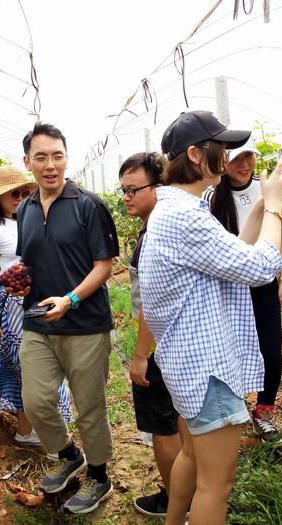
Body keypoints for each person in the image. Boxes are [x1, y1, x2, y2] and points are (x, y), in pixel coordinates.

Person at [139, 110, 282, 525]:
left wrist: (260, 206)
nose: (227, 155)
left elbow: (232, 254)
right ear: (195, 154)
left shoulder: (176, 209)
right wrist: (276, 208)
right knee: (215, 486)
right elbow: (260, 267)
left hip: (187, 364)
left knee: (191, 455)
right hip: (209, 372)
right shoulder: (185, 216)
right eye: (220, 147)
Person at [14, 122, 119, 514]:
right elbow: (31, 261)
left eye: (57, 156)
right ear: (27, 161)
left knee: (89, 406)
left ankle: (99, 476)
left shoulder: (87, 205)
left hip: (85, 324)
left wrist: (71, 299)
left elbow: (104, 265)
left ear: (66, 158)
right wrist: (21, 284)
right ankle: (69, 454)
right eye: (41, 157)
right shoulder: (24, 209)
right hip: (38, 321)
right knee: (36, 401)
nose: (50, 165)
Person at [204, 136, 282, 443]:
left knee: (271, 351)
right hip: (231, 287)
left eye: (249, 157)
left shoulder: (265, 188)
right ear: (223, 163)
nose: (244, 164)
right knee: (232, 348)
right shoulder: (212, 197)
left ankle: (263, 412)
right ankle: (233, 407)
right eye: (236, 159)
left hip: (263, 282)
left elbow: (281, 236)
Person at [0, 165, 71, 446]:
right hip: (10, 305)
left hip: (35, 298)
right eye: (13, 194)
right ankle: (29, 430)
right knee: (23, 364)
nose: (19, 198)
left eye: (23, 192)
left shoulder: (29, 218)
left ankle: (33, 428)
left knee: (38, 359)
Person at [118, 152, 181, 517]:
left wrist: (141, 355)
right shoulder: (159, 229)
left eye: (133, 190)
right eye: (123, 190)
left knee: (163, 426)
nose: (126, 197)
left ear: (159, 187)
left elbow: (150, 304)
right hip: (172, 342)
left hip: (157, 345)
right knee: (177, 420)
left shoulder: (153, 237)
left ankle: (175, 500)